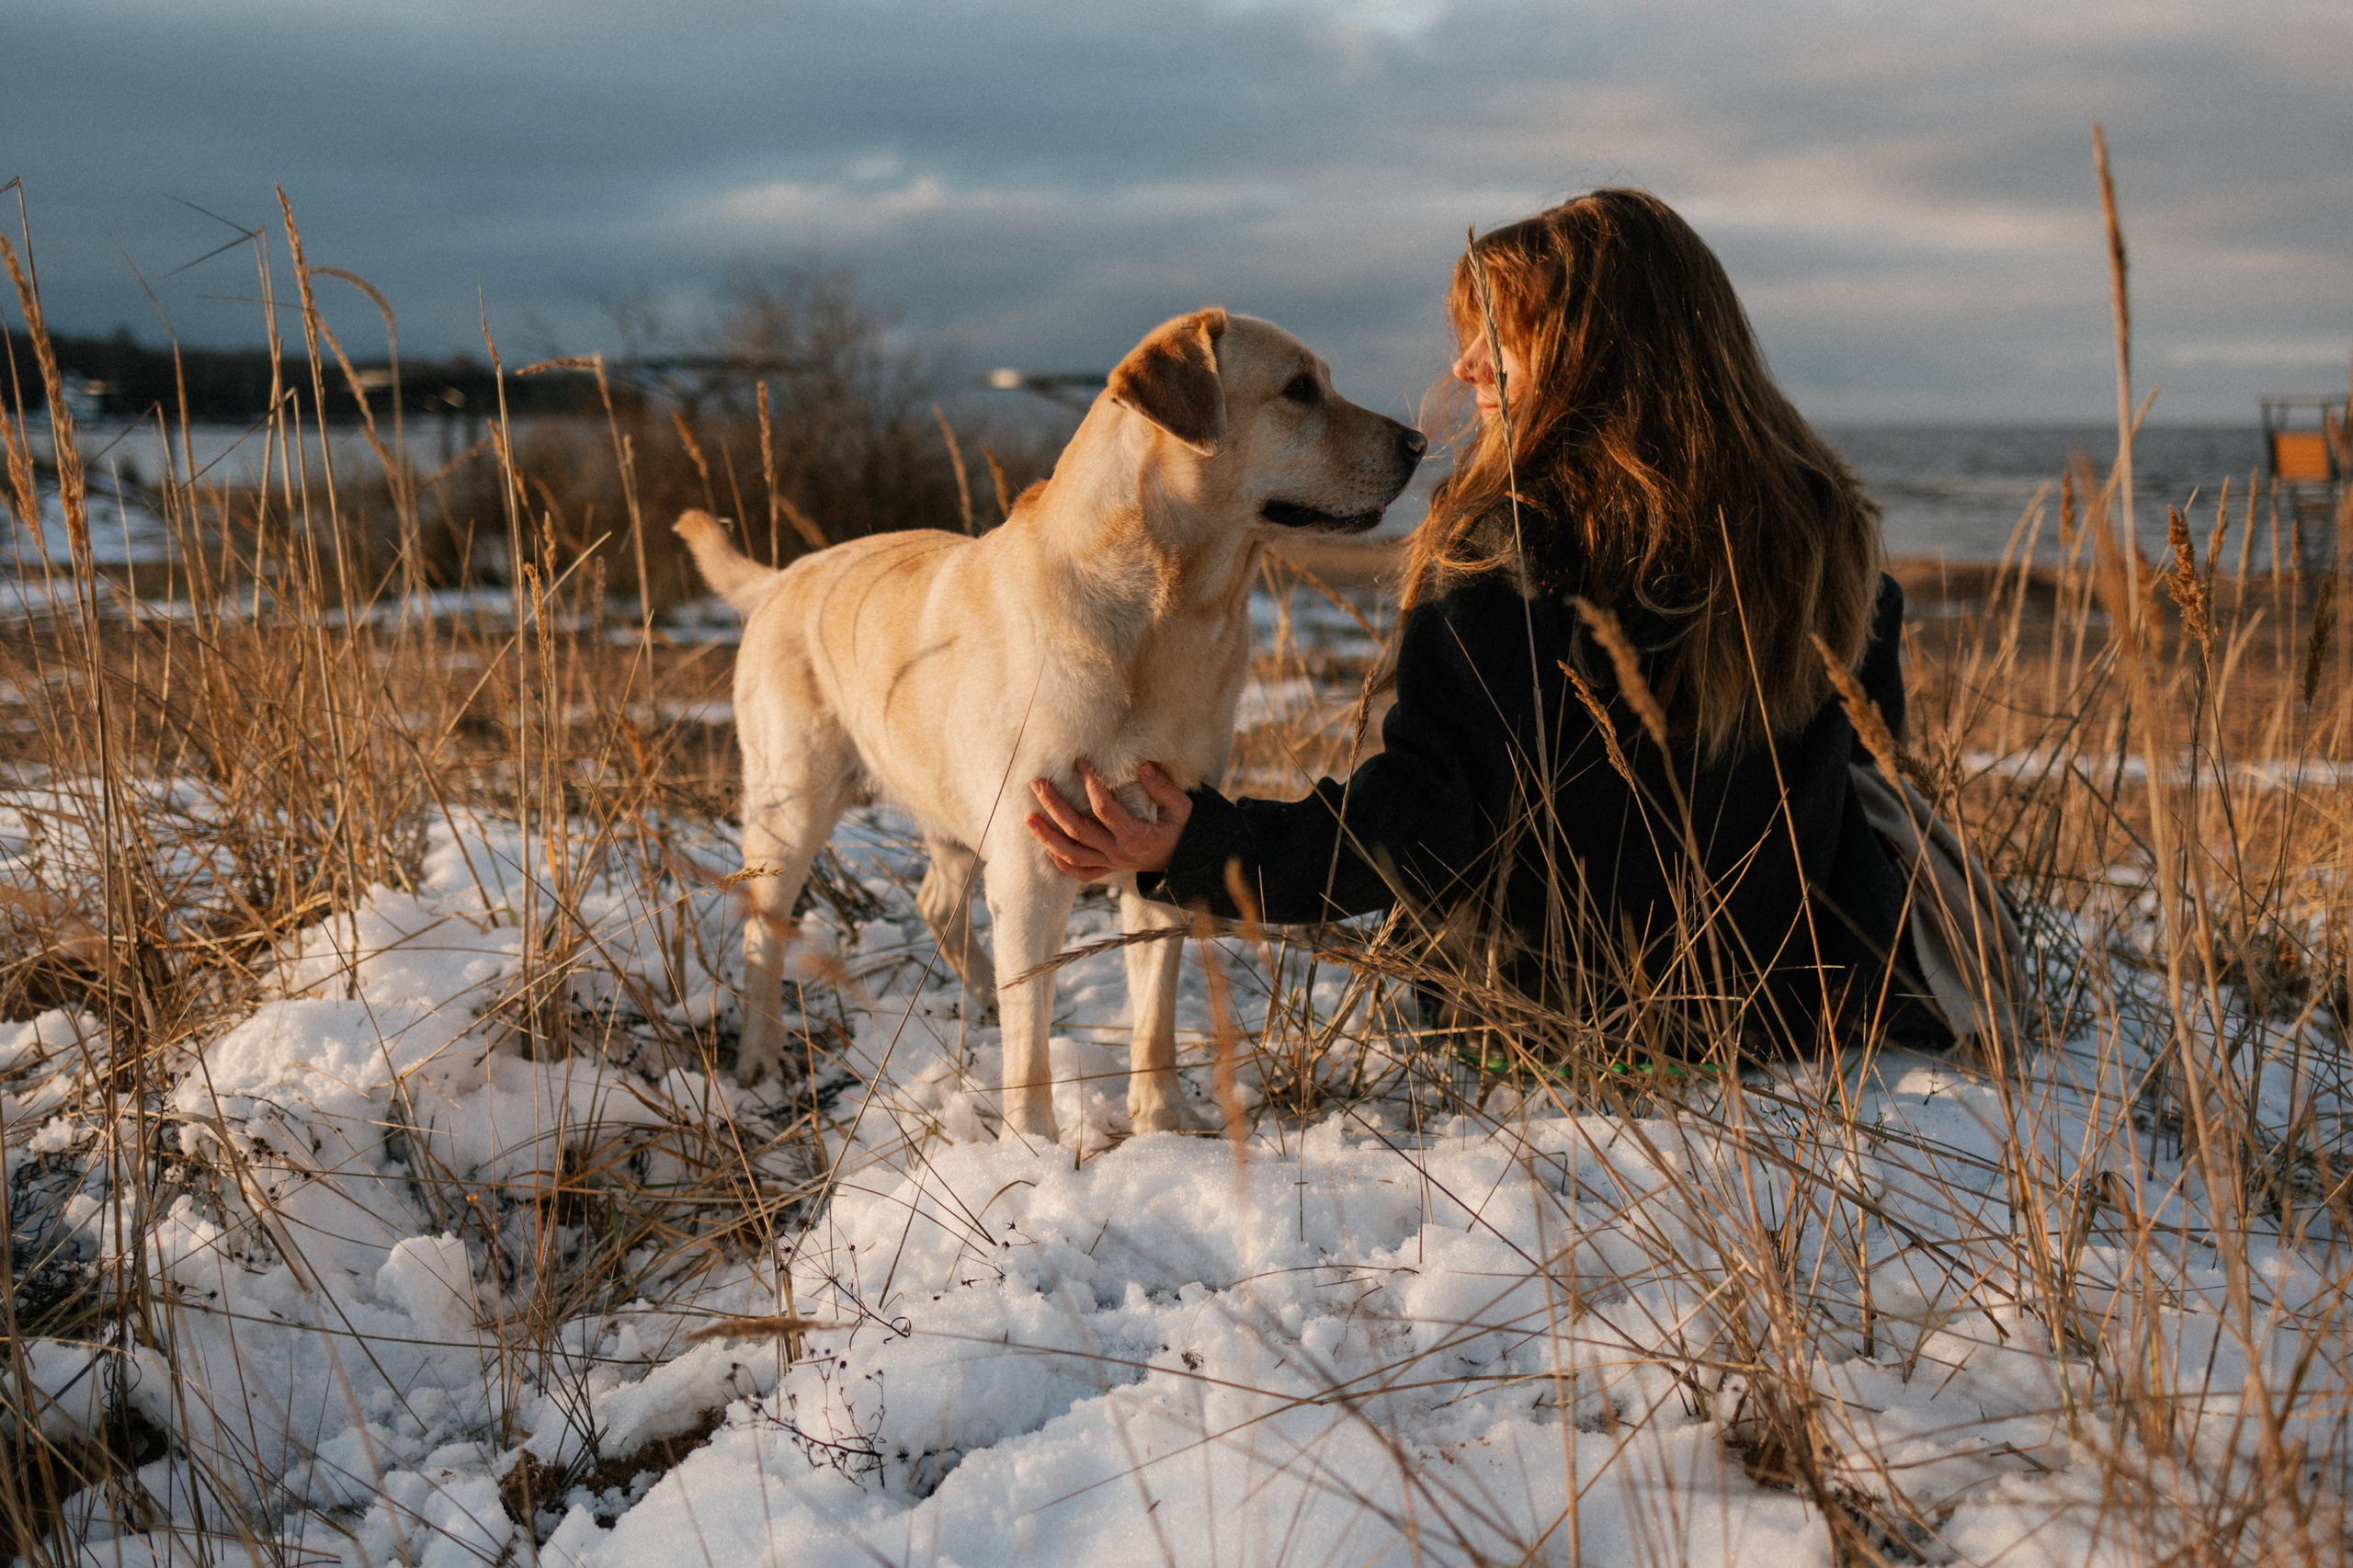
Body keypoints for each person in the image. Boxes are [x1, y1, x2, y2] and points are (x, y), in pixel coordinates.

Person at [1025, 188, 1950, 1058]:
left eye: (1498, 336)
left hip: (1535, 1021)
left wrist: (1199, 845)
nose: (1465, 364)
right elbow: (1865, 791)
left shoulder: (1514, 538)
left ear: (1597, 347)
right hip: (1787, 1017)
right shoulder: (1826, 533)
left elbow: (1428, 820)